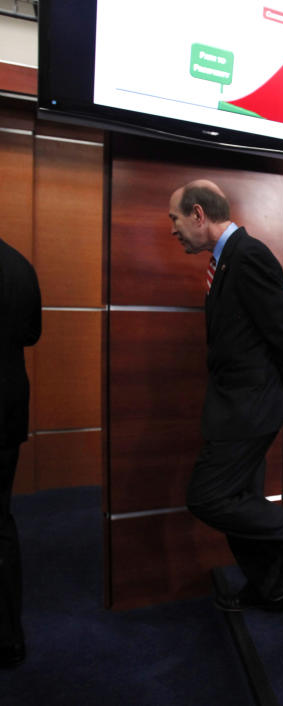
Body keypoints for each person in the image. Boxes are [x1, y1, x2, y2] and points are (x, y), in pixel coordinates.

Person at [167, 180, 283, 611]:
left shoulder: (248, 256)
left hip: (250, 405)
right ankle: (267, 586)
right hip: (236, 403)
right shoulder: (225, 259)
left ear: (199, 214)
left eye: (175, 219)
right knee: (241, 500)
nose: (173, 230)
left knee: (209, 497)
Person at [0, 238, 41, 669]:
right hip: (8, 406)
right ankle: (9, 636)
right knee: (2, 520)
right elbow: (32, 333)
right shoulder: (19, 263)